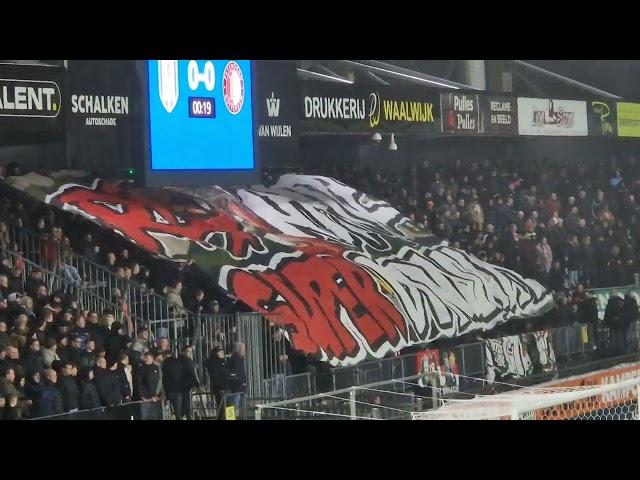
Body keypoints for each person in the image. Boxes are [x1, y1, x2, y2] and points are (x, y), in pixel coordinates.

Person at [162, 346, 198, 420]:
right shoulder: (182, 361)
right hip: (182, 388)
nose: (190, 354)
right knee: (184, 409)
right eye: (188, 352)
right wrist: (195, 384)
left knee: (178, 410)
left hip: (174, 389)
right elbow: (190, 372)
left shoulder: (165, 363)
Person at [136, 351, 163, 420]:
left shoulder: (156, 368)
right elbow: (139, 383)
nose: (146, 359)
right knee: (145, 416)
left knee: (156, 416)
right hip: (145, 398)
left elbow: (160, 381)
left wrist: (158, 395)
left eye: (148, 357)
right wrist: (142, 396)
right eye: (145, 358)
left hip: (155, 397)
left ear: (152, 358)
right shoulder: (141, 369)